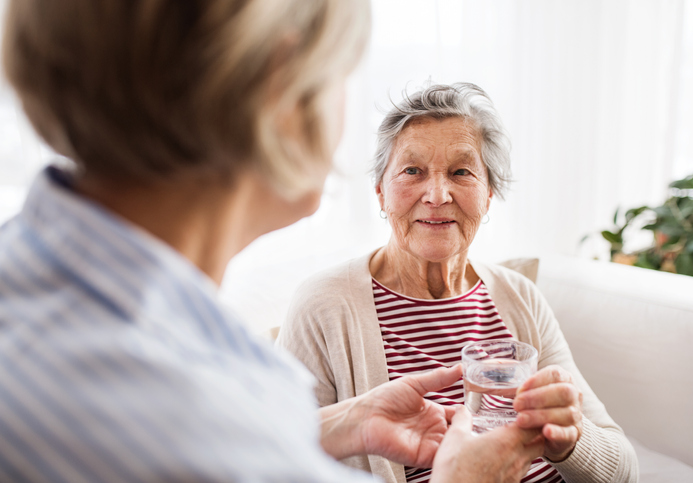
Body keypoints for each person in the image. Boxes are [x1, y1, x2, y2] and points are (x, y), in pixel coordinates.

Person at [0, 2, 545, 482]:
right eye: (340, 73)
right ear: (280, 89)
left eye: (461, 174)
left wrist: (342, 422)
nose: (436, 195)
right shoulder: (191, 426)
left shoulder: (29, 270)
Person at [278, 83, 640, 483]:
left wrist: (571, 441)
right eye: (412, 170)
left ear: (488, 194)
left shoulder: (518, 296)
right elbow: (281, 465)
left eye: (461, 171)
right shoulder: (323, 305)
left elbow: (623, 470)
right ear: (380, 192)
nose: (437, 195)